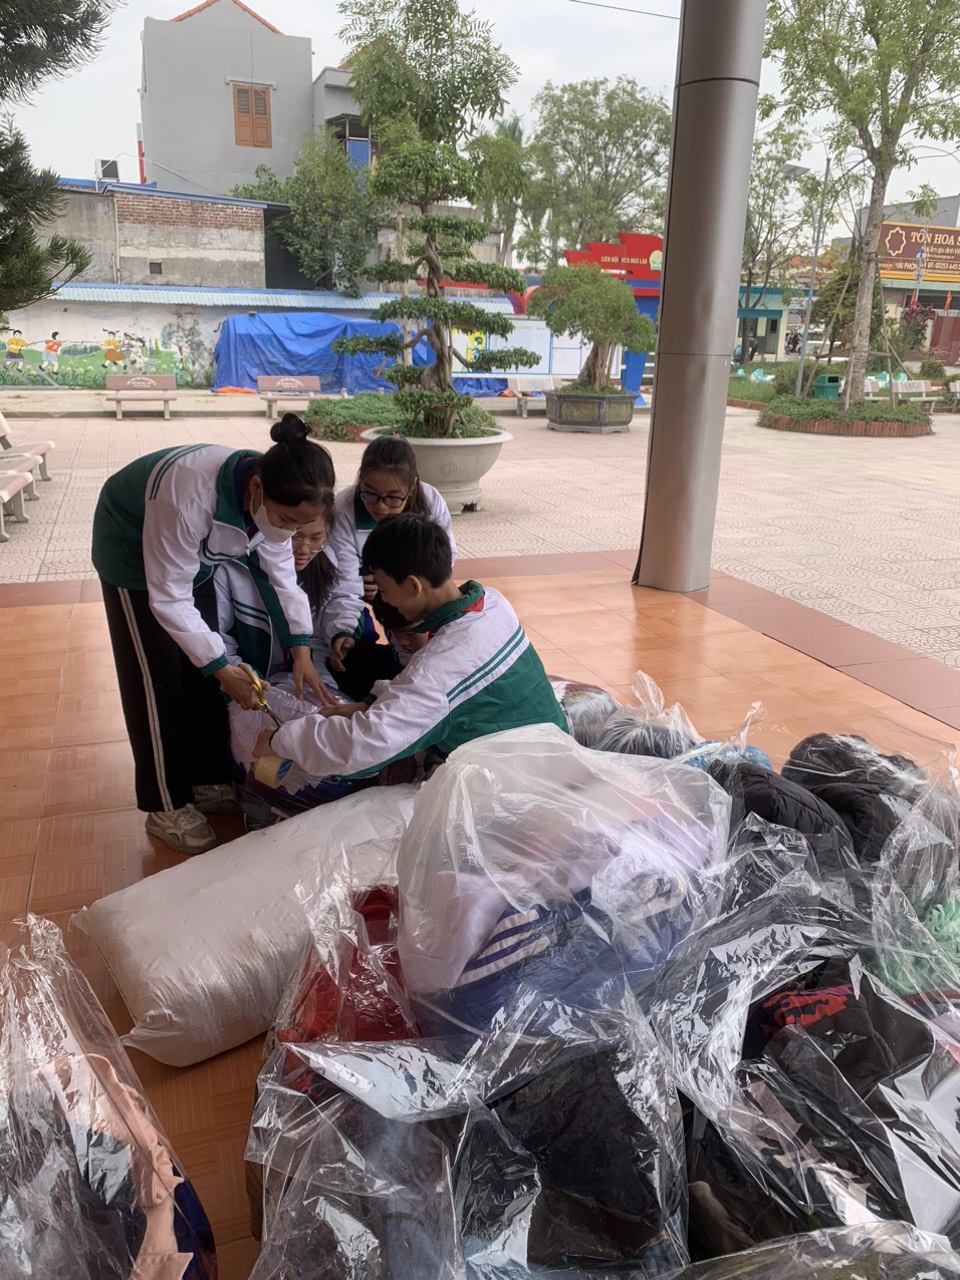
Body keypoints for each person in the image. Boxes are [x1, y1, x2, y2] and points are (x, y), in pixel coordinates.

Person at [92, 414, 336, 854]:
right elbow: (168, 599)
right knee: (156, 678)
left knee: (203, 666)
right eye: (286, 520)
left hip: (190, 557)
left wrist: (301, 646)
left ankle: (204, 777)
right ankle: (165, 803)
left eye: (300, 526)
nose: (289, 533)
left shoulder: (275, 496)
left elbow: (282, 575)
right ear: (256, 487)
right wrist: (224, 670)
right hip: (130, 548)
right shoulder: (186, 496)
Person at [254, 514, 567, 779]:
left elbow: (362, 747)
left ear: (413, 585)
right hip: (552, 750)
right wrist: (370, 704)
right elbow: (424, 683)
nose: (384, 599)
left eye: (384, 589)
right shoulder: (493, 603)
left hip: (519, 782)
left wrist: (282, 740)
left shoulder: (443, 667)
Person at [324, 435, 456, 698]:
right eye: (370, 494)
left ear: (412, 487)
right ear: (360, 480)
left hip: (417, 593)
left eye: (393, 498)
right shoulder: (344, 510)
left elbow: (442, 565)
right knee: (388, 652)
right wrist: (343, 630)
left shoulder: (431, 500)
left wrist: (415, 605)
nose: (381, 507)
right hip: (371, 593)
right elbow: (345, 584)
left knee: (426, 657)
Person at [215, 510, 339, 684]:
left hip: (295, 683)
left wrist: (324, 685)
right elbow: (222, 647)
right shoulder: (231, 569)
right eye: (295, 537)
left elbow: (317, 644)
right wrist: (262, 689)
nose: (304, 549)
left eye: (316, 539)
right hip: (249, 681)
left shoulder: (325, 567)